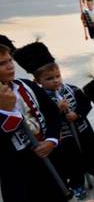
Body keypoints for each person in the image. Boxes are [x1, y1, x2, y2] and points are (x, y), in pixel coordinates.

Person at [13, 41, 94, 200]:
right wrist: (57, 110)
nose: (56, 81)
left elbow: (85, 104)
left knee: (91, 152)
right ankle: (77, 184)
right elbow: (44, 116)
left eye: (58, 76)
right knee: (72, 161)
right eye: (49, 79)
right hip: (64, 136)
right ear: (39, 81)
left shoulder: (72, 89)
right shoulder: (40, 98)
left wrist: (77, 114)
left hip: (82, 129)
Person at [0, 43, 67, 202]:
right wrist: (7, 112)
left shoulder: (26, 85)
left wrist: (51, 140)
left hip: (48, 158)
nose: (10, 67)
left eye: (10, 60)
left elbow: (52, 113)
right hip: (19, 172)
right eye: (2, 64)